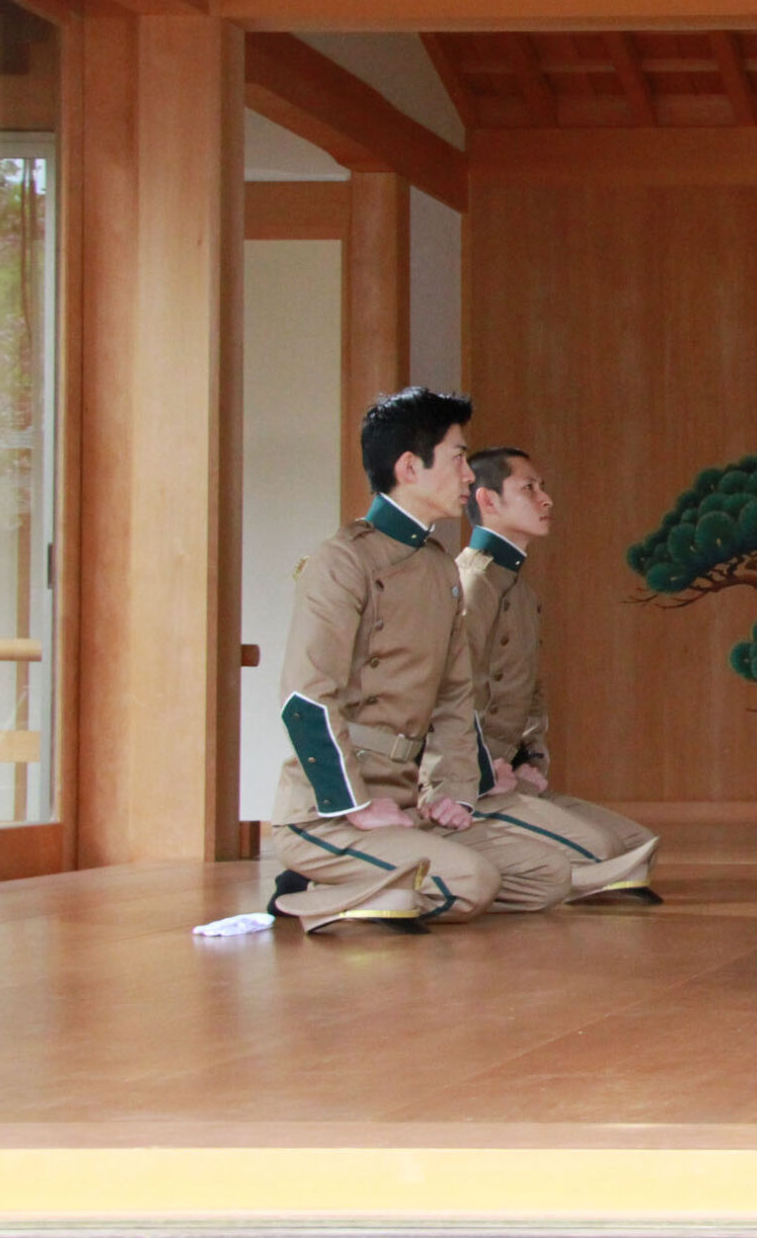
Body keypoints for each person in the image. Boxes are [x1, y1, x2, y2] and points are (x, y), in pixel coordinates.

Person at [265, 388, 572, 934]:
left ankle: (381, 887)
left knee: (549, 874)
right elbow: (305, 700)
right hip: (328, 813)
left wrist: (454, 791)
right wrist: (354, 805)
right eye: (458, 458)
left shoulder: (439, 569)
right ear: (410, 467)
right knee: (472, 883)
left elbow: (455, 699)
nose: (468, 476)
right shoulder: (343, 561)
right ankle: (313, 888)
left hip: (409, 805)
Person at [458, 446, 662, 903]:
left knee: (637, 846)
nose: (546, 499)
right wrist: (482, 773)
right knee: (602, 853)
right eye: (529, 488)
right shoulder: (473, 584)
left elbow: (531, 692)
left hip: (509, 775)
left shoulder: (520, 589)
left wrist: (531, 760)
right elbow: (450, 694)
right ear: (488, 500)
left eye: (543, 487)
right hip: (470, 784)